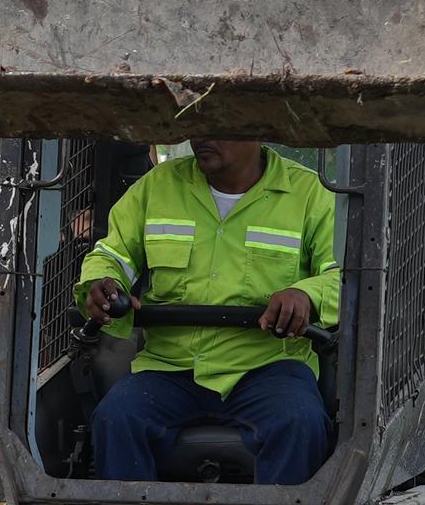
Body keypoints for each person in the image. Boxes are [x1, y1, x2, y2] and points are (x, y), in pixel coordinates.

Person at [77, 135, 338, 484]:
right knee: (115, 417)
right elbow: (111, 256)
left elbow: (344, 277)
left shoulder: (310, 194)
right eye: (196, 123)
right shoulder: (158, 187)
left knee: (300, 420)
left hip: (269, 367)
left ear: (256, 128)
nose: (201, 136)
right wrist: (103, 283)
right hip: (172, 367)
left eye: (217, 124)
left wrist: (306, 295)